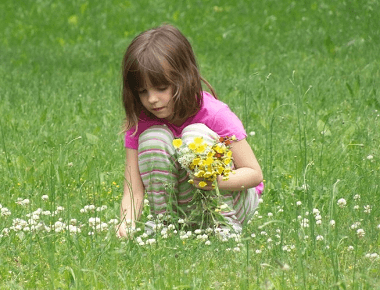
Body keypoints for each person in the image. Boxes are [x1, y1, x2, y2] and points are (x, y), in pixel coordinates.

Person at [118, 24, 264, 237]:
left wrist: (212, 180)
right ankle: (164, 224)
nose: (152, 99)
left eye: (161, 88)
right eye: (142, 91)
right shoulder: (142, 122)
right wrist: (127, 223)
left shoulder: (214, 113)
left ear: (183, 78)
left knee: (194, 135)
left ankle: (223, 226)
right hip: (186, 207)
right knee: (153, 138)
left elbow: (254, 174)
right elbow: (133, 189)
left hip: (233, 200)